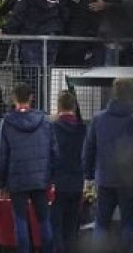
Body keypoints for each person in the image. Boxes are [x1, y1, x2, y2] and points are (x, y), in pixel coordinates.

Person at [82, 77, 133, 250]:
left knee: (101, 222)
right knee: (128, 222)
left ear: (113, 93)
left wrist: (88, 175)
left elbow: (89, 149)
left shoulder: (98, 119)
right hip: (130, 183)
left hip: (104, 179)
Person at [0, 82, 57, 253]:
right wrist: (51, 176)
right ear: (31, 97)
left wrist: (1, 183)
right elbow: (54, 150)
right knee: (44, 219)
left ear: (13, 98)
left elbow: (1, 155)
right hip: (41, 179)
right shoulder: (45, 121)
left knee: (20, 220)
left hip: (17, 179)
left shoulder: (6, 123)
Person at [1, 0, 65, 84]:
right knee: (47, 78)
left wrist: (5, 31)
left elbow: (18, 16)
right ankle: (45, 102)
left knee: (32, 80)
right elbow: (63, 14)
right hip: (52, 40)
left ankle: (34, 103)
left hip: (32, 41)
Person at [51, 90, 86, 252]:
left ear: (58, 106)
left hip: (58, 183)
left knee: (56, 226)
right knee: (72, 227)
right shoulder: (83, 128)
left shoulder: (53, 127)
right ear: (74, 106)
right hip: (78, 183)